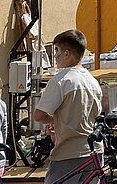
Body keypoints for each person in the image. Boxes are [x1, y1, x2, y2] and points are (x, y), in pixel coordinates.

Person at [34, 29, 103, 184]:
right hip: (94, 149)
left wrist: (55, 119)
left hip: (69, 151)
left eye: (56, 50)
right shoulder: (92, 81)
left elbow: (39, 115)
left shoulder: (61, 80)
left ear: (66, 53)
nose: (55, 56)